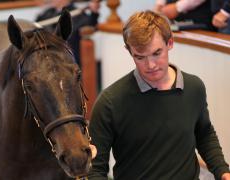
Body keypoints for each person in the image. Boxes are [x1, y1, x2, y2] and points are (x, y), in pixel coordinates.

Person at [88, 10, 230, 179]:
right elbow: (95, 170)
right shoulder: (110, 102)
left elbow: (204, 134)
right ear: (129, 51)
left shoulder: (194, 88)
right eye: (140, 57)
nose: (151, 65)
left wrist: (223, 171)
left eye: (157, 53)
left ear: (170, 43)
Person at [36, 0, 100, 67]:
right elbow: (37, 27)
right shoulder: (48, 12)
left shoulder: (76, 13)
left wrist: (94, 13)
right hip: (48, 59)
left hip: (67, 61)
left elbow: (90, 24)